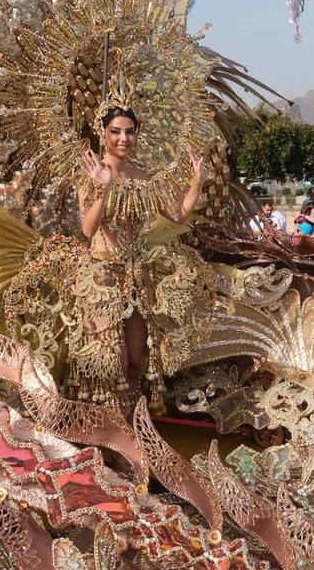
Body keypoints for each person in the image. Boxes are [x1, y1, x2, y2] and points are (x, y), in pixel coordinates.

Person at [71, 105, 210, 400]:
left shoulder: (144, 178)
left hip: (138, 277)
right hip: (104, 277)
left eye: (130, 132)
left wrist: (196, 183)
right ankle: (107, 426)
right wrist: (103, 190)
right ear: (103, 133)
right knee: (113, 361)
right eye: (116, 132)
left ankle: (133, 426)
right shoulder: (91, 175)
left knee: (136, 360)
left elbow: (178, 215)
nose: (124, 138)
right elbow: (88, 229)